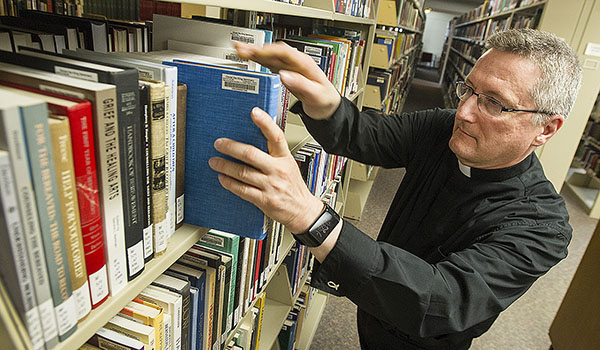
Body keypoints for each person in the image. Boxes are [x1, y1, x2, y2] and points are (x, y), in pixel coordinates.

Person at [207, 28, 582, 349]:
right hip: (370, 300)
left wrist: (310, 216)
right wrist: (325, 102)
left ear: (546, 129)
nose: (465, 111)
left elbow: (441, 300)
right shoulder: (444, 127)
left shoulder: (542, 227)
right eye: (469, 90)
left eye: (494, 104)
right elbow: (367, 136)